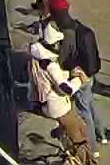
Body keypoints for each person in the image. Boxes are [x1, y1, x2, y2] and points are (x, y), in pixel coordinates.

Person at [47, 0, 106, 156]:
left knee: (83, 112)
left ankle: (92, 148)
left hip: (79, 77)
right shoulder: (79, 26)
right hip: (89, 74)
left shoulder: (67, 33)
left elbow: (63, 59)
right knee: (90, 105)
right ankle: (102, 134)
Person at [31, 22, 92, 164]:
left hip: (51, 102)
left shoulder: (39, 57)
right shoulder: (51, 65)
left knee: (76, 130)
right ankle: (84, 160)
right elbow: (66, 88)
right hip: (58, 105)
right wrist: (79, 80)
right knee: (79, 136)